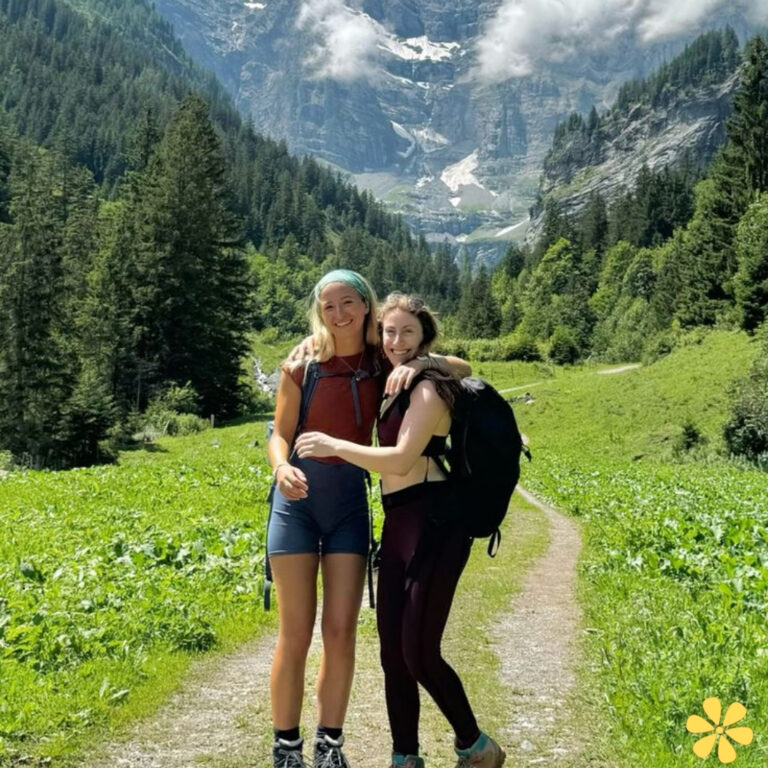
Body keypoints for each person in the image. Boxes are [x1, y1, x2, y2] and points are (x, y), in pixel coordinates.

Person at [267, 271, 470, 768]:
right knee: (295, 632)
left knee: (340, 632)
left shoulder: (384, 357)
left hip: (349, 510)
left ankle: (329, 745)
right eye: (328, 305)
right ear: (318, 309)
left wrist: (423, 361)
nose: (340, 314)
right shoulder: (302, 363)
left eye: (349, 303)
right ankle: (286, 749)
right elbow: (279, 432)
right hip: (295, 505)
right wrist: (281, 466)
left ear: (366, 306)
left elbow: (462, 367)